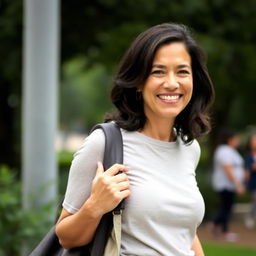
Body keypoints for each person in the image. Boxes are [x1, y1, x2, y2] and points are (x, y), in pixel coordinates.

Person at [56, 23, 214, 256]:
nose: (172, 83)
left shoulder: (189, 148)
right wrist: (95, 207)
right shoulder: (104, 143)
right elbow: (65, 237)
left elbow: (185, 234)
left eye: (182, 72)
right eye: (158, 71)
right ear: (139, 82)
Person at [211, 129, 246, 241]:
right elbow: (228, 170)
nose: (238, 140)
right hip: (225, 185)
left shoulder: (231, 151)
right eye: (236, 138)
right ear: (230, 139)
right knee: (226, 208)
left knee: (226, 208)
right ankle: (223, 231)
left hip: (229, 185)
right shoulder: (224, 151)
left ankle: (215, 225)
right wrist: (238, 185)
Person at [244, 133, 256, 228]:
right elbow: (248, 170)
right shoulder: (248, 155)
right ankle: (250, 217)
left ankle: (250, 217)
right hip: (253, 182)